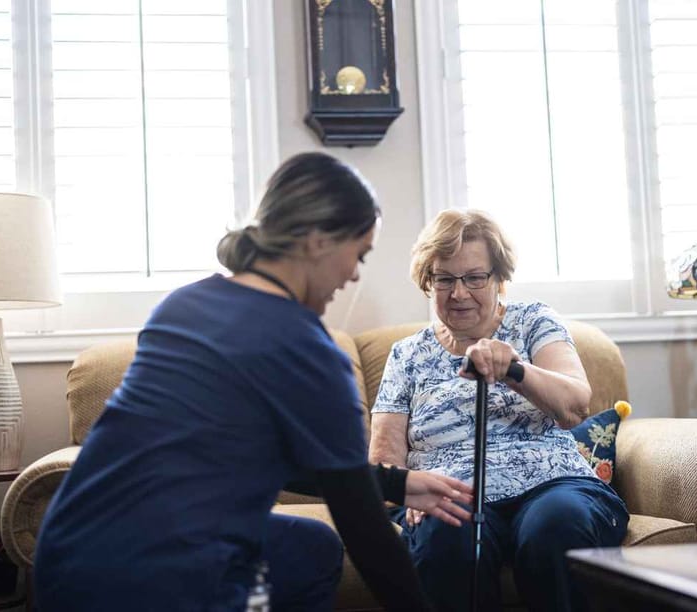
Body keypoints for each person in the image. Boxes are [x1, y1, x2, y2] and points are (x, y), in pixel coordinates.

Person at [33, 152, 475, 611]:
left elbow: (263, 457)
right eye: (358, 254)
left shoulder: (183, 304)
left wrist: (395, 484)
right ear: (320, 241)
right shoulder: (309, 352)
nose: (355, 274)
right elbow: (365, 532)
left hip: (68, 549)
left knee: (309, 548)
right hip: (162, 575)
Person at [369, 209, 630, 612]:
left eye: (474, 277)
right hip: (450, 492)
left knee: (557, 524)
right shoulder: (407, 355)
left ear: (499, 279)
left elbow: (575, 405)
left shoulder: (533, 322)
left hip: (551, 483)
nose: (459, 293)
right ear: (428, 282)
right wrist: (413, 490)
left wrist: (513, 370)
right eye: (444, 279)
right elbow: (384, 459)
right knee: (444, 535)